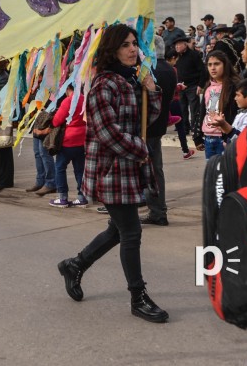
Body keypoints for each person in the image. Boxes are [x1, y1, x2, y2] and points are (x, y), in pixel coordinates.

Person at [56, 23, 169, 323]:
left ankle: (75, 265)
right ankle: (138, 296)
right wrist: (142, 150)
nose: (133, 49)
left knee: (118, 229)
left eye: (135, 43)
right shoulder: (104, 84)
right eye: (126, 45)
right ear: (112, 50)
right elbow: (107, 133)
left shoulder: (131, 80)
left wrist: (152, 89)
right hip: (111, 171)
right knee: (131, 231)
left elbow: (148, 117)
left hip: (127, 167)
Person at [142, 35, 176, 226]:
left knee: (150, 170)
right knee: (156, 169)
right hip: (159, 124)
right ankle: (157, 208)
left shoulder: (151, 69)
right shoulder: (169, 69)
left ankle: (157, 210)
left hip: (148, 126)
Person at [193, 50, 238, 159]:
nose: (213, 68)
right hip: (208, 138)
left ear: (225, 65)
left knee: (224, 173)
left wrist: (229, 136)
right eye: (209, 65)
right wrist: (197, 135)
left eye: (217, 64)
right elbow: (202, 111)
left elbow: (236, 114)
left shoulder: (233, 86)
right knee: (212, 173)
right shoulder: (208, 87)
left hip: (224, 138)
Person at [49, 87, 87, 207]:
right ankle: (82, 197)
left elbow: (57, 120)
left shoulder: (68, 100)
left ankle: (62, 198)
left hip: (68, 139)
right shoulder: (85, 99)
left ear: (67, 88)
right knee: (80, 169)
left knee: (60, 167)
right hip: (83, 138)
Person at [173, 35, 206, 141]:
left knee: (194, 109)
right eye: (176, 45)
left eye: (179, 45)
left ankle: (195, 130)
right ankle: (185, 128)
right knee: (182, 109)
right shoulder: (177, 57)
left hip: (193, 86)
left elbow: (203, 71)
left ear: (185, 44)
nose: (177, 47)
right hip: (181, 87)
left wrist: (200, 85)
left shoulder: (194, 55)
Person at [211, 77, 247, 143]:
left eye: (238, 95)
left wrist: (225, 125)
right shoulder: (242, 112)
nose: (235, 98)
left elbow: (242, 140)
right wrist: (222, 127)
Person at [165, 48, 194, 159]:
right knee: (180, 125)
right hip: (174, 100)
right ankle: (185, 150)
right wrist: (180, 86)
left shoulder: (157, 68)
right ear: (173, 58)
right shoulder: (172, 70)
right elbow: (173, 87)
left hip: (163, 101)